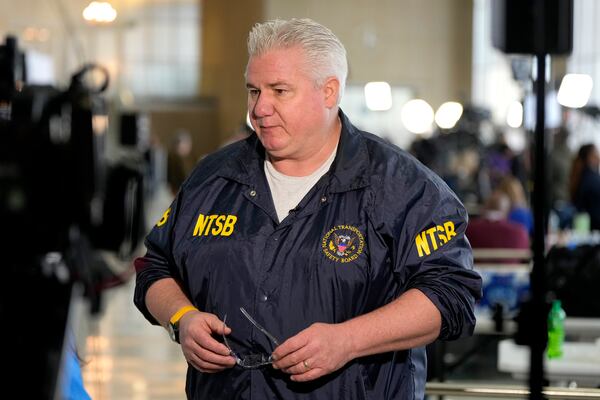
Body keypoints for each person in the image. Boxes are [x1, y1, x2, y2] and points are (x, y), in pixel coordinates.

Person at [134, 18, 481, 399]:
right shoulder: (212, 178)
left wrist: (348, 340)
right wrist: (181, 318)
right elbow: (155, 266)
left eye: (279, 91)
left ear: (329, 92)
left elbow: (450, 293)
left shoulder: (402, 187)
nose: (259, 109)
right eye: (253, 91)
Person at [569, 143, 600, 231]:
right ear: (590, 157)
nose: (599, 157)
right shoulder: (593, 179)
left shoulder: (581, 176)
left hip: (584, 227)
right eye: (596, 153)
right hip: (594, 228)